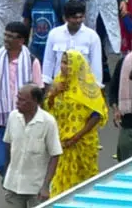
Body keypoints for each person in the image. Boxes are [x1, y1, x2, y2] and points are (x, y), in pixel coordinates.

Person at [40, 52, 102, 196]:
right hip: (62, 142)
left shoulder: (88, 86)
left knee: (84, 184)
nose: (64, 66)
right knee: (60, 183)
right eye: (62, 62)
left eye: (67, 63)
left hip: (82, 143)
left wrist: (76, 137)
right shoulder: (58, 82)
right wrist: (54, 93)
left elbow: (96, 114)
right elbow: (48, 108)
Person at [0, 85, 61, 208]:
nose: (17, 103)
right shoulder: (13, 117)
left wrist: (46, 186)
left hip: (36, 188)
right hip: (14, 185)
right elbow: (8, 145)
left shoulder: (48, 122)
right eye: (18, 98)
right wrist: (7, 173)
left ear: (35, 101)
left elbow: (55, 154)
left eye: (22, 100)